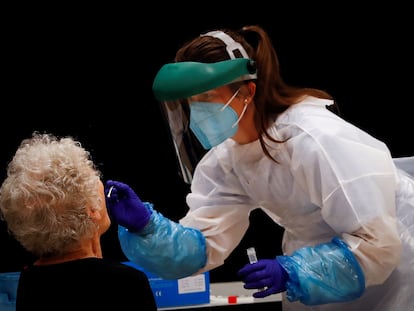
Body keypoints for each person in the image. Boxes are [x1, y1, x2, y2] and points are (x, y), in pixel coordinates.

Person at [105, 25, 414, 310]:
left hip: (402, 265)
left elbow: (379, 244)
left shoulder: (314, 139)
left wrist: (293, 271)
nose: (196, 110)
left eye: (207, 96)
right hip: (333, 271)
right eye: (190, 101)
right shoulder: (227, 160)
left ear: (247, 92)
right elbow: (204, 245)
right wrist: (147, 227)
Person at [0, 132, 157, 311]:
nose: (102, 184)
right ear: (92, 209)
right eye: (93, 177)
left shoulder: (30, 279)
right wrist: (149, 226)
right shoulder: (126, 283)